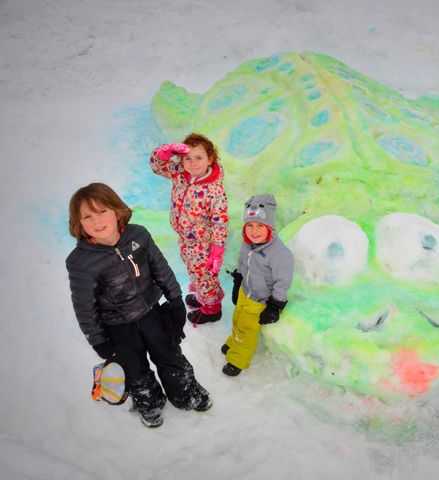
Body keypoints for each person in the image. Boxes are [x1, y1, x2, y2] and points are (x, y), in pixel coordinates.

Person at [65, 183, 212, 428]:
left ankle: (186, 393)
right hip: (118, 327)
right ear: (79, 223)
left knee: (171, 356)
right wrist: (99, 342)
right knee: (135, 371)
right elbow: (84, 308)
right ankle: (149, 403)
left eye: (101, 211)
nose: (96, 221)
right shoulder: (81, 262)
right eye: (87, 216)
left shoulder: (138, 236)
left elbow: (160, 269)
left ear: (116, 211)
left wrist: (175, 300)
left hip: (152, 314)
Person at [150, 133, 228, 325]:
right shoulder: (179, 173)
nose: (193, 163)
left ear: (210, 159)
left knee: (204, 276)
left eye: (199, 158)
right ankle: (204, 296)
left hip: (204, 244)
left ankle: (211, 309)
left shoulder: (214, 191)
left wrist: (217, 250)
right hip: (186, 238)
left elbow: (220, 221)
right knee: (195, 272)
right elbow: (157, 167)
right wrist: (164, 153)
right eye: (188, 158)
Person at [222, 194, 294, 376]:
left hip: (259, 300)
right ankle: (234, 341)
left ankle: (238, 359)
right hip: (244, 291)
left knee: (247, 329)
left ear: (269, 227)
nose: (254, 231)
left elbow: (282, 282)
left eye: (260, 226)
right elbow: (241, 262)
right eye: (250, 226)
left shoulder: (280, 253)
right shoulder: (248, 244)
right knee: (237, 318)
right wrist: (238, 280)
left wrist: (276, 305)